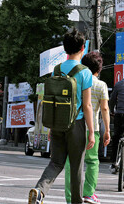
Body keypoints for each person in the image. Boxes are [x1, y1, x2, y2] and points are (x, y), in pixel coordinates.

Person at [29, 28, 94, 204]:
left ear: (65, 49)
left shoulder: (56, 71)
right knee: (76, 168)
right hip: (76, 124)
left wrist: (51, 126)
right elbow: (87, 105)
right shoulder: (85, 72)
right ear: (83, 48)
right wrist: (92, 132)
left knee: (56, 163)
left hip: (57, 123)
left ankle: (39, 190)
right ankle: (76, 202)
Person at [64, 51, 110, 204]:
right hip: (93, 129)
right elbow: (104, 109)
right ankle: (88, 193)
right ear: (99, 68)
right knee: (92, 161)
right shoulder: (101, 85)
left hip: (74, 126)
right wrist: (107, 131)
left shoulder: (76, 79)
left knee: (72, 162)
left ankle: (71, 197)